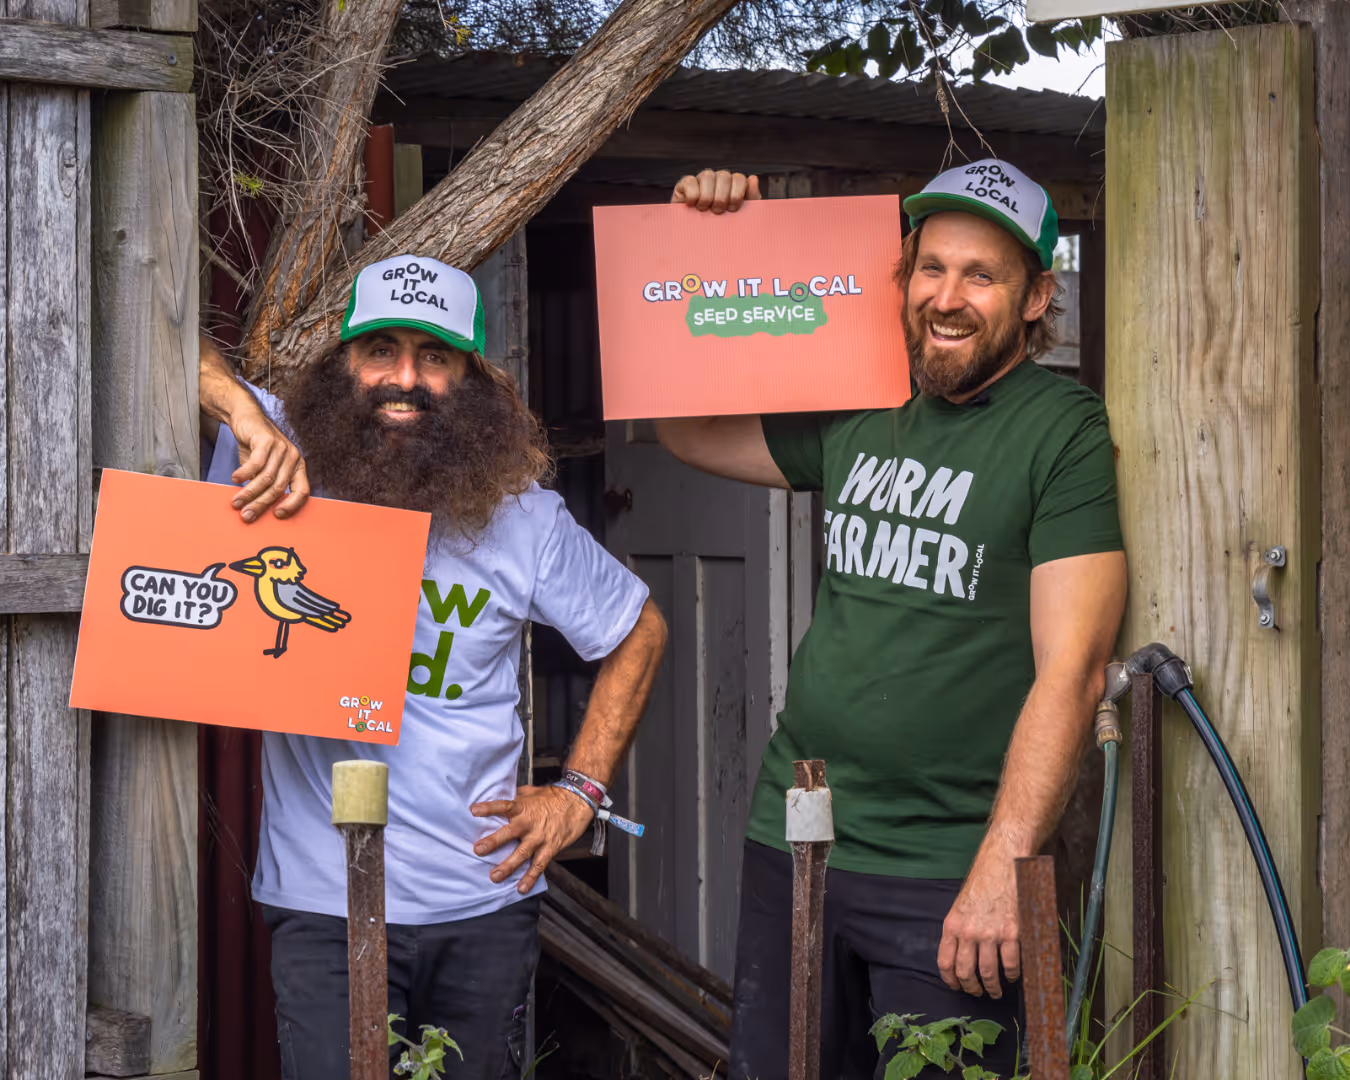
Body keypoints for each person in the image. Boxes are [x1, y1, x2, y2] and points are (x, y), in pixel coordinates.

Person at [659, 162, 1127, 1078]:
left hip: (948, 867)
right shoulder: (862, 400)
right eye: (931, 268)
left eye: (981, 276)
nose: (946, 298)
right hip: (797, 836)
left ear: (1036, 298)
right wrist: (704, 246)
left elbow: (1071, 672)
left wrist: (1003, 867)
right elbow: (686, 432)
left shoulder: (1062, 432)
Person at [199, 253, 667, 1080]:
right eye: (381, 349)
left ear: (473, 379)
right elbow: (165, 341)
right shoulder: (280, 459)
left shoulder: (522, 518)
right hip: (325, 901)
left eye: (435, 356)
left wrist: (579, 793)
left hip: (482, 905)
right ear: (343, 362)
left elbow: (639, 630)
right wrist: (241, 410)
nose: (405, 379)